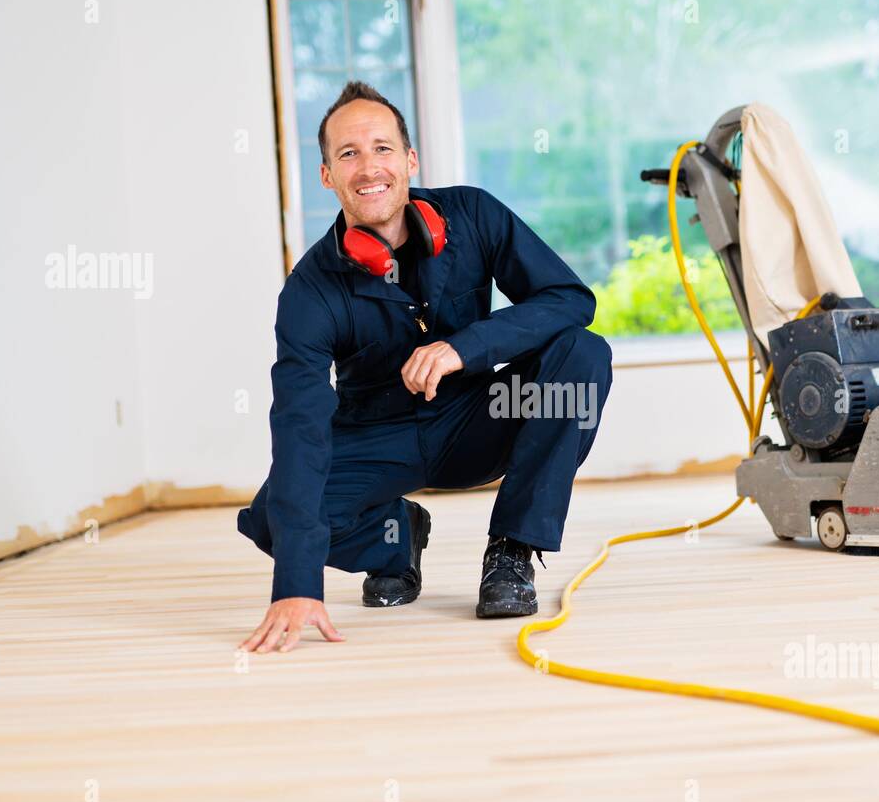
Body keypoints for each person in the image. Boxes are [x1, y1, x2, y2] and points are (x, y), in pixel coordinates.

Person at [237, 81, 613, 654]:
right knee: (272, 520)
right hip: (376, 437)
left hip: (478, 420)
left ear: (410, 160)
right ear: (327, 176)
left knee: (582, 354)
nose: (369, 168)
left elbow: (569, 300)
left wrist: (467, 347)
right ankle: (396, 541)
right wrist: (296, 585)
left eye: (382, 148)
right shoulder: (310, 291)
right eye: (348, 154)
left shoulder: (475, 215)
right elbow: (300, 424)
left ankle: (512, 551)